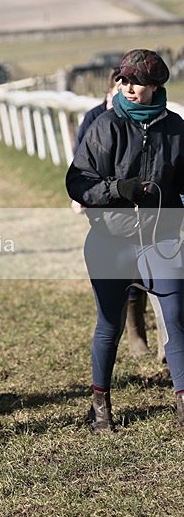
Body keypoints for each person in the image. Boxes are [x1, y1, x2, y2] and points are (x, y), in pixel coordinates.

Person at [66, 49, 184, 431]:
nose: (128, 88)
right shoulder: (104, 126)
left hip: (161, 241)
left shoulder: (177, 129)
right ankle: (100, 405)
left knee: (177, 318)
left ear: (154, 87)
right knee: (108, 325)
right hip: (110, 241)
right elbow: (78, 182)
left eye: (136, 82)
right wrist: (121, 188)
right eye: (124, 80)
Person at [73, 68, 153, 358]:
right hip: (109, 211)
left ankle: (141, 331)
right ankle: (126, 331)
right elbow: (79, 161)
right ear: (113, 90)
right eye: (124, 85)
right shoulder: (96, 119)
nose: (129, 90)